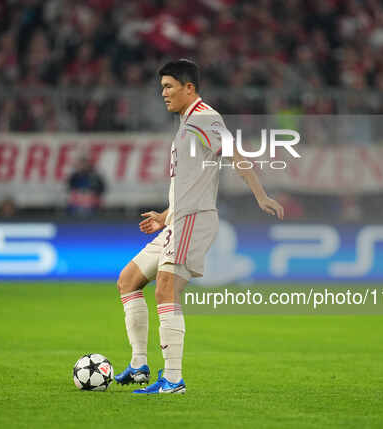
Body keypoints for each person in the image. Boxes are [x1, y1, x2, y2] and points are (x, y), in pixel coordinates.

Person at [114, 59, 284, 394]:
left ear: (188, 87)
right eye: (162, 87)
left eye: (169, 86)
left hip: (194, 219)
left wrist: (260, 195)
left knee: (165, 289)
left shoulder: (205, 116)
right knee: (128, 280)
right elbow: (191, 181)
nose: (163, 93)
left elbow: (236, 154)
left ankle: (174, 379)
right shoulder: (187, 122)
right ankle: (138, 366)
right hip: (179, 218)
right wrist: (165, 215)